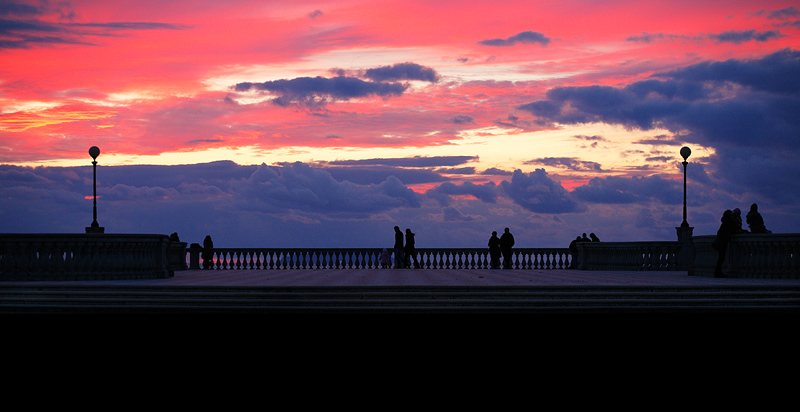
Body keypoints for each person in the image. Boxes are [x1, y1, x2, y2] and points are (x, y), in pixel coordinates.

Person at [713, 210, 736, 278]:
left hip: (722, 241)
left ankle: (717, 272)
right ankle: (717, 272)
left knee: (721, 258)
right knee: (721, 258)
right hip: (723, 242)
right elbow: (732, 230)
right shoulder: (728, 222)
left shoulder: (724, 222)